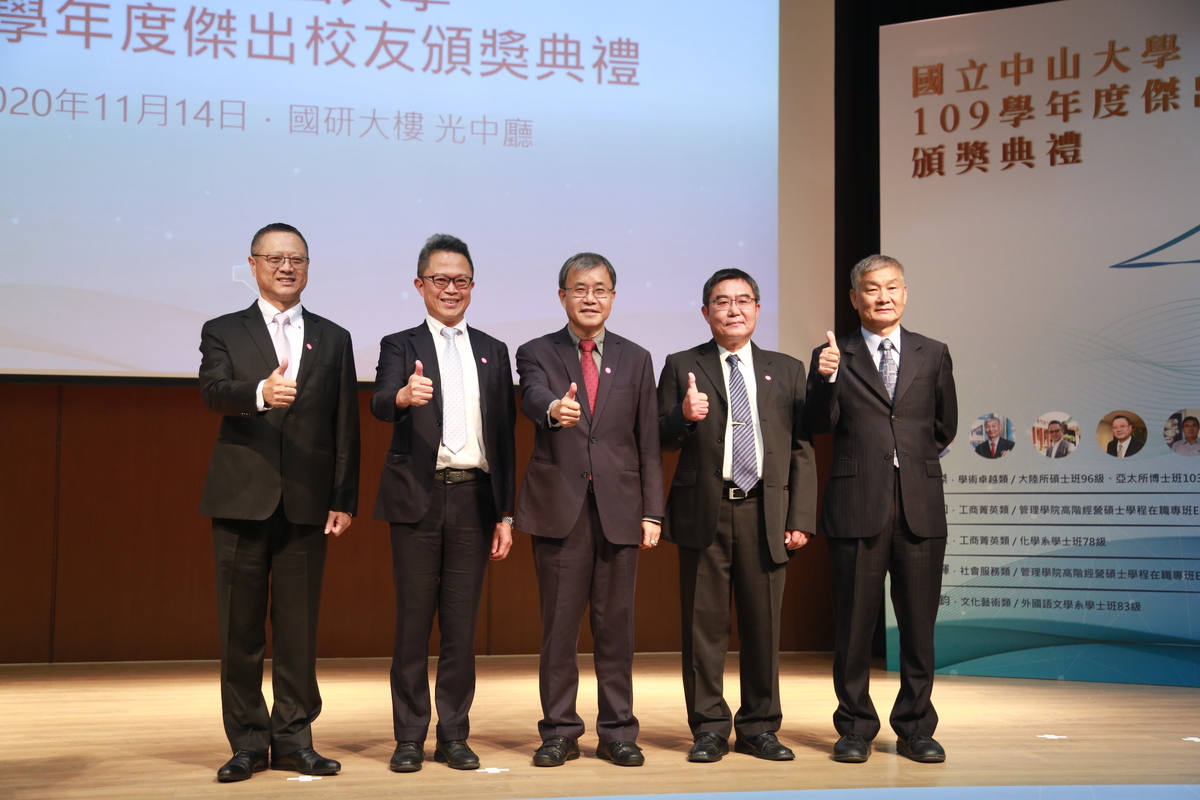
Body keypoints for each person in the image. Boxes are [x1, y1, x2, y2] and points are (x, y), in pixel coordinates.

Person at [199, 222, 360, 782]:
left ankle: (294, 739)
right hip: (242, 498)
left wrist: (344, 497)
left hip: (307, 504)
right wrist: (261, 394)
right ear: (253, 264)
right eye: (275, 258)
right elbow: (213, 391)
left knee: (298, 631)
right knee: (239, 630)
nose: (286, 267)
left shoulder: (333, 337)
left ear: (308, 266)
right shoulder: (223, 330)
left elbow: (345, 425)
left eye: (297, 259)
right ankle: (247, 741)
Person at [370, 234, 517, 773]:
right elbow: (380, 403)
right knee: (412, 623)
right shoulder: (399, 344)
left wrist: (506, 513)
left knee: (461, 625)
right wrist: (404, 398)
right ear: (420, 285)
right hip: (419, 498)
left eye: (460, 281)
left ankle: (454, 733)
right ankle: (409, 736)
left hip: (477, 499)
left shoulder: (494, 351)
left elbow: (503, 438)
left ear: (472, 288)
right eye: (440, 280)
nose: (450, 289)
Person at [658, 269, 817, 763]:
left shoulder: (787, 369)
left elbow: (802, 449)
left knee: (763, 626)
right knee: (703, 629)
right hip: (705, 511)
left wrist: (801, 517)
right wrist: (684, 415)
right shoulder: (681, 363)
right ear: (706, 312)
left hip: (765, 512)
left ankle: (759, 726)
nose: (734, 309)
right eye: (722, 302)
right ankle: (708, 726)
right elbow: (660, 438)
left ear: (758, 309)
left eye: (743, 300)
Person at [803, 254, 957, 765]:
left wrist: (905, 462)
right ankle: (854, 726)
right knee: (852, 626)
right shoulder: (832, 354)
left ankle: (916, 726)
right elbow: (817, 424)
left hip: (919, 504)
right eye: (872, 289)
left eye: (892, 287)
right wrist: (823, 380)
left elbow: (944, 426)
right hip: (855, 504)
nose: (883, 296)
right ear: (855, 297)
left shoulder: (932, 352)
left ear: (905, 293)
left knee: (918, 625)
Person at [514, 252, 664, 768]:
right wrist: (556, 410)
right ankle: (559, 731)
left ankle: (618, 730)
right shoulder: (536, 351)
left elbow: (648, 441)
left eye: (600, 289)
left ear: (613, 297)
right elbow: (533, 396)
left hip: (622, 509)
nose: (591, 298)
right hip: (560, 508)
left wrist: (653, 512)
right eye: (580, 289)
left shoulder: (638, 357)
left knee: (616, 628)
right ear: (562, 297)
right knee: (558, 628)